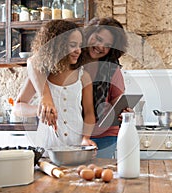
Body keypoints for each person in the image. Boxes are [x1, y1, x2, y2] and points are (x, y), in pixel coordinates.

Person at [32, 17, 128, 158]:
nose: (101, 47)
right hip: (74, 133)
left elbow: (117, 101)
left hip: (104, 134)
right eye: (98, 39)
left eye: (107, 45)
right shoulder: (69, 61)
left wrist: (123, 111)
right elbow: (33, 62)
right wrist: (44, 98)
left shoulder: (112, 70)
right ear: (88, 34)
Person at [12, 20, 96, 151]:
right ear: (57, 46)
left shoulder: (83, 76)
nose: (78, 50)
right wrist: (38, 110)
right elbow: (17, 107)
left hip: (76, 143)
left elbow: (89, 113)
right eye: (73, 45)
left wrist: (86, 137)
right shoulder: (40, 76)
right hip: (47, 145)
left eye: (80, 45)